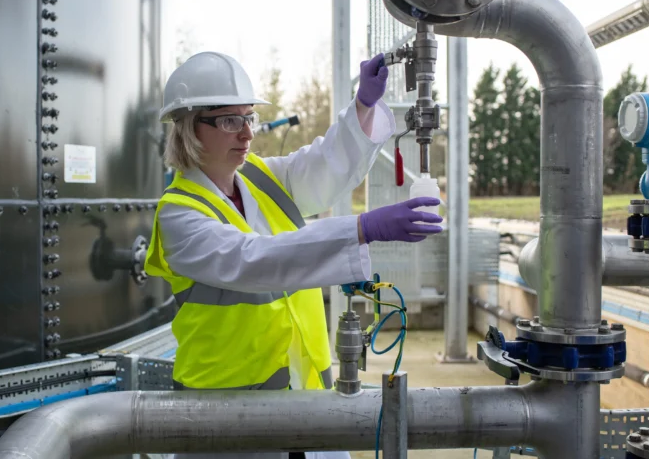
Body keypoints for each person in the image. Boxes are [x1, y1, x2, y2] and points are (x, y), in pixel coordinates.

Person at [144, 51, 443, 459]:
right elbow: (253, 259)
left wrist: (363, 107)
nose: (247, 134)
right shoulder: (179, 213)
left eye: (249, 118)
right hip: (227, 423)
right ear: (189, 128)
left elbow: (323, 166)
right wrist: (362, 228)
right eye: (230, 121)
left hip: (308, 404)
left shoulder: (262, 178)